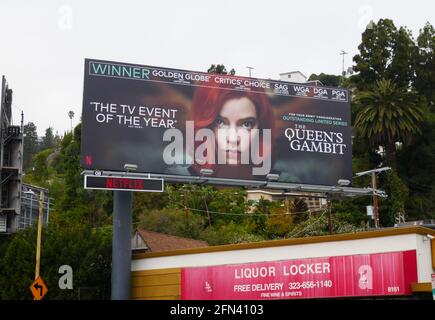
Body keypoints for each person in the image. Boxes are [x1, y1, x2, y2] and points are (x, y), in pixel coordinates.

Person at [189, 79, 275, 180]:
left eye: (246, 124)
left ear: (261, 128)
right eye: (220, 122)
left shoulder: (285, 182)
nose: (233, 139)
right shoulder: (178, 179)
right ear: (206, 126)